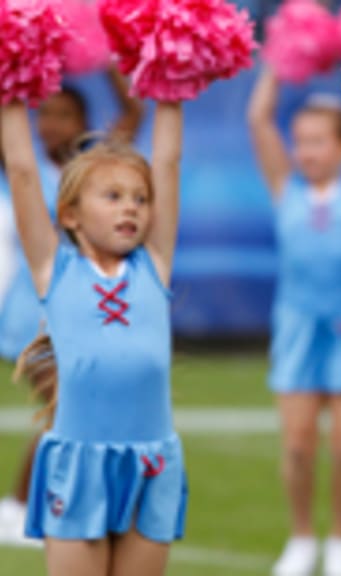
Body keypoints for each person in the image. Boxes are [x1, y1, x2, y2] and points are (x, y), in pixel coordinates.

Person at [1, 93, 186, 574]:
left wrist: (172, 89)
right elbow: (21, 169)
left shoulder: (154, 266)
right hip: (78, 467)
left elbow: (167, 161)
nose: (131, 209)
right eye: (113, 197)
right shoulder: (53, 269)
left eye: (140, 199)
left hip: (151, 466)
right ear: (70, 215)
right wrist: (12, 90)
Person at [0, 69, 143, 548]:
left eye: (66, 116)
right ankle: (24, 504)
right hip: (34, 307)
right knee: (68, 411)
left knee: (73, 411)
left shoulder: (95, 171)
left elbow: (134, 114)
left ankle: (27, 504)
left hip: (89, 307)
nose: (53, 126)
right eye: (47, 115)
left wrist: (107, 60)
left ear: (85, 122)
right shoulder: (24, 166)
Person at [248, 67, 341, 576]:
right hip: (298, 330)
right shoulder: (286, 188)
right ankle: (302, 537)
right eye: (300, 141)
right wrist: (278, 63)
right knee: (299, 445)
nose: (306, 152)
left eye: (318, 142)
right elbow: (259, 119)